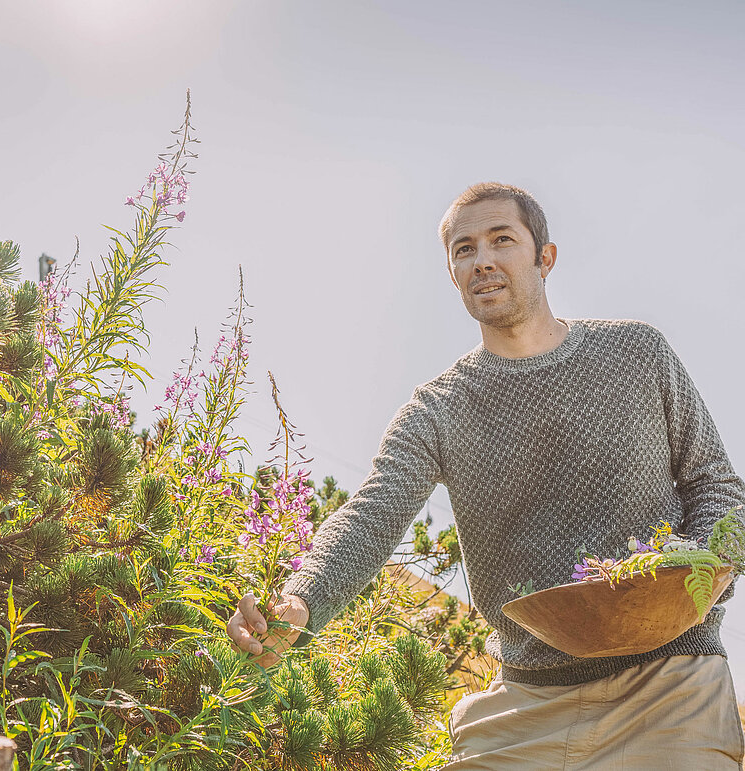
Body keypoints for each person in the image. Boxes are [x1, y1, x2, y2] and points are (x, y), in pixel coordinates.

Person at [225, 182, 745, 769]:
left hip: (670, 688)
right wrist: (302, 599)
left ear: (544, 257)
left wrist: (695, 577)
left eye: (502, 240)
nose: (484, 260)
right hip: (524, 707)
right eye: (464, 249)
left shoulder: (636, 354)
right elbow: (371, 515)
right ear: (453, 274)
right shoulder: (439, 410)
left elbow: (716, 485)